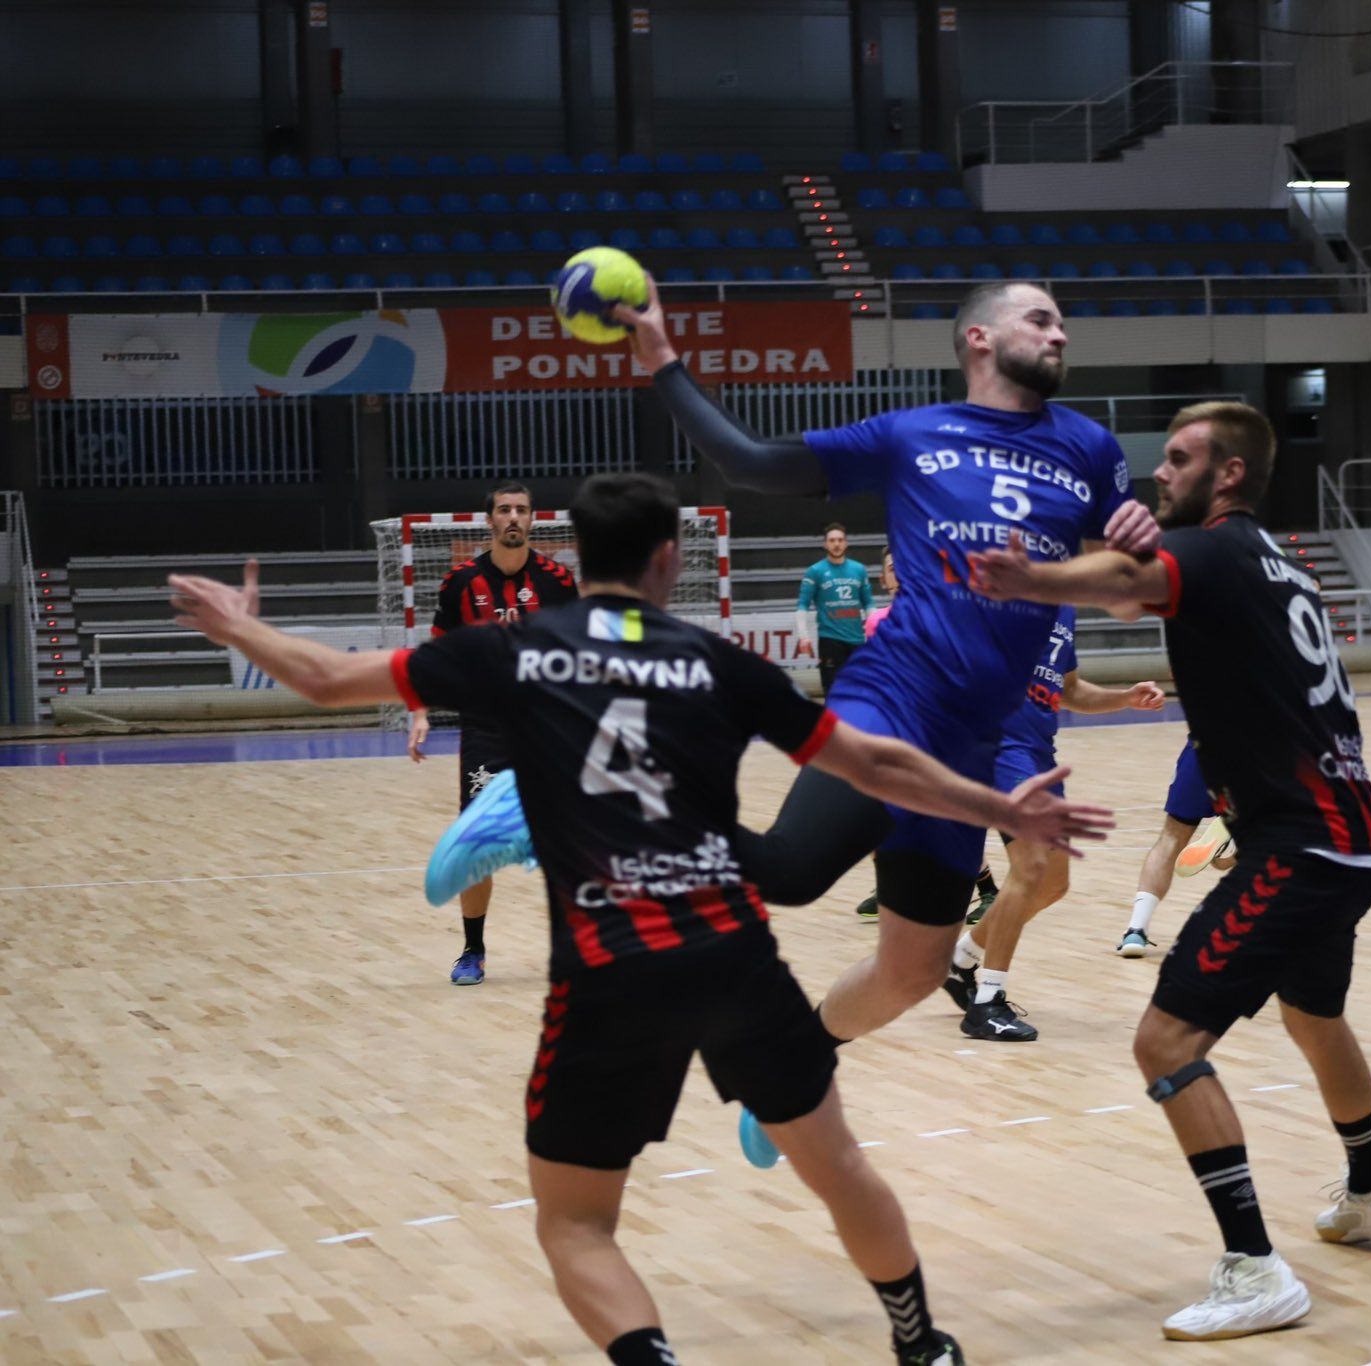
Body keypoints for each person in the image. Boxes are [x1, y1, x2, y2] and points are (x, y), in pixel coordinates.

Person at [168, 472, 1114, 1366]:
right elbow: (874, 766)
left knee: (576, 1224)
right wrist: (1002, 811)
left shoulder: (517, 649)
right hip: (734, 959)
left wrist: (237, 629)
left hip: (609, 971)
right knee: (841, 1172)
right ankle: (921, 1345)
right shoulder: (717, 662)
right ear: (670, 558)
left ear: (574, 556)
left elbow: (331, 680)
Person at [617, 277, 1159, 1164]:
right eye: (1040, 318)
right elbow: (751, 463)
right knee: (790, 873)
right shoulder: (913, 435)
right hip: (894, 694)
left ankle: (794, 1060)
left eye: (1062, 320)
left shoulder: (1092, 449)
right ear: (979, 338)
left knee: (911, 973)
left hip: (972, 747)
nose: (1060, 333)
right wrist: (664, 363)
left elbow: (1133, 596)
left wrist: (1141, 543)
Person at [968, 401, 1371, 1342]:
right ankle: (1370, 1198)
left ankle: (1256, 1271)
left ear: (1228, 476)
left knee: (1167, 1040)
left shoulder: (1212, 550)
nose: (1157, 473)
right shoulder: (1280, 560)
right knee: (1315, 1017)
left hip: (1298, 842)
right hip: (1350, 836)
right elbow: (1145, 590)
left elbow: (1130, 585)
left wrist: (1029, 573)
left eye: (1176, 460)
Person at [945, 606, 1165, 1040]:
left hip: (1037, 753)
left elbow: (1070, 689)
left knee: (1053, 882)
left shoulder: (1065, 608)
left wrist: (1124, 698)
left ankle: (962, 960)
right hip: (998, 747)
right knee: (1028, 868)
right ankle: (987, 1002)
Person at [409, 481, 580, 986]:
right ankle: (472, 950)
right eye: (504, 510)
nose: (512, 518)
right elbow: (432, 657)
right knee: (478, 843)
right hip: (485, 730)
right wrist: (419, 711)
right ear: (489, 521)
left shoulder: (558, 582)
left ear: (533, 520)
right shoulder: (460, 582)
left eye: (521, 511)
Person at [1115, 738, 1237, 958]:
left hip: (1203, 749)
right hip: (1257, 754)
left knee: (1171, 837)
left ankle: (1136, 930)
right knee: (1266, 841)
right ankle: (1233, 840)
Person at [799, 522, 874, 696]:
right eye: (832, 540)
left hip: (856, 640)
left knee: (860, 691)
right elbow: (802, 605)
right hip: (830, 640)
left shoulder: (859, 570)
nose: (837, 544)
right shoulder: (815, 571)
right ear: (825, 544)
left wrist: (875, 631)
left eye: (840, 540)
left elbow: (868, 603)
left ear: (846, 543)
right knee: (833, 692)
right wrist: (803, 636)